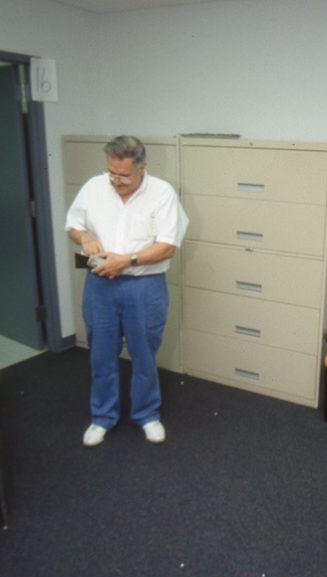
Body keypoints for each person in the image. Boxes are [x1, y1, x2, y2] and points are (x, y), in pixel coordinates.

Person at [65, 135, 189, 447]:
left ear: (142, 168)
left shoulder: (162, 193)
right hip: (100, 286)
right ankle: (102, 417)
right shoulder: (94, 187)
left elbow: (167, 247)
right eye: (112, 173)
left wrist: (126, 260)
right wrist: (85, 239)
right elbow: (73, 225)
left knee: (144, 355)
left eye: (124, 176)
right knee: (101, 355)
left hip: (144, 287)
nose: (116, 181)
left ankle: (147, 414)